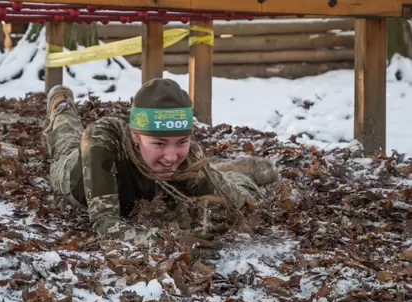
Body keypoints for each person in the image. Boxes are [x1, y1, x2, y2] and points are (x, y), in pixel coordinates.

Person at [42, 78, 277, 243]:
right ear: (135, 135)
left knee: (201, 171)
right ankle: (62, 106)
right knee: (66, 140)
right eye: (159, 143)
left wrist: (243, 186)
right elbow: (105, 223)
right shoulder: (102, 141)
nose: (172, 156)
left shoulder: (188, 156)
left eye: (182, 142)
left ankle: (228, 170)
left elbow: (243, 204)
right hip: (76, 171)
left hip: (150, 179)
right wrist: (168, 242)